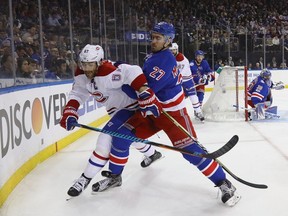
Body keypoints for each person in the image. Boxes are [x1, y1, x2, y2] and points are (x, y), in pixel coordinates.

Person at [90, 22, 240, 206]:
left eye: (157, 38)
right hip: (151, 111)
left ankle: (224, 183)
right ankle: (115, 176)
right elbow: (143, 82)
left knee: (191, 153)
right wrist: (122, 69)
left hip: (172, 114)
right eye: (152, 37)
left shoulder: (165, 60)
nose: (153, 41)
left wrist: (119, 80)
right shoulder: (154, 56)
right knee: (121, 137)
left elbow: (143, 91)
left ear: (168, 40)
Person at [59, 44, 162, 197]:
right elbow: (78, 92)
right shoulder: (81, 74)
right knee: (127, 138)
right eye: (84, 63)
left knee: (104, 141)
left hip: (132, 108)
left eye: (90, 64)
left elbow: (132, 70)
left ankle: (85, 178)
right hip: (117, 111)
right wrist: (70, 110)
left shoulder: (108, 72)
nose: (87, 68)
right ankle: (152, 154)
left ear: (99, 62)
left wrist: (143, 90)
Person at [169, 42, 204, 122]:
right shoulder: (169, 58)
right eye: (171, 50)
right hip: (178, 81)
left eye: (173, 50)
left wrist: (178, 76)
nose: (172, 52)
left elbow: (184, 70)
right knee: (178, 98)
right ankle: (176, 113)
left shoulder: (182, 59)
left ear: (177, 50)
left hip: (187, 80)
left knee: (193, 96)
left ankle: (198, 112)